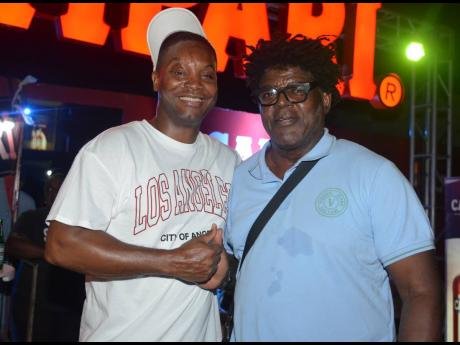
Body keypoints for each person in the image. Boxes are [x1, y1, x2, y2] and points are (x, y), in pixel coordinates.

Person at [224, 34, 442, 341]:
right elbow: (232, 271)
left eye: (297, 90)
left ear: (325, 98)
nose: (282, 104)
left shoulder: (373, 175)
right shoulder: (239, 180)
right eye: (269, 93)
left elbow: (421, 292)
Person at [44, 7, 241, 342]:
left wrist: (225, 268)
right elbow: (61, 245)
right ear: (156, 79)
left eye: (207, 75)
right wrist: (170, 262)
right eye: (179, 72)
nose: (194, 84)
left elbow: (236, 253)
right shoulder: (112, 149)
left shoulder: (229, 161)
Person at [6, 172, 85, 341]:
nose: (52, 193)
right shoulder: (32, 217)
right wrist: (51, 253)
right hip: (32, 303)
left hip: (69, 306)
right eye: (49, 188)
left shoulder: (81, 221)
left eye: (58, 189)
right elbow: (13, 245)